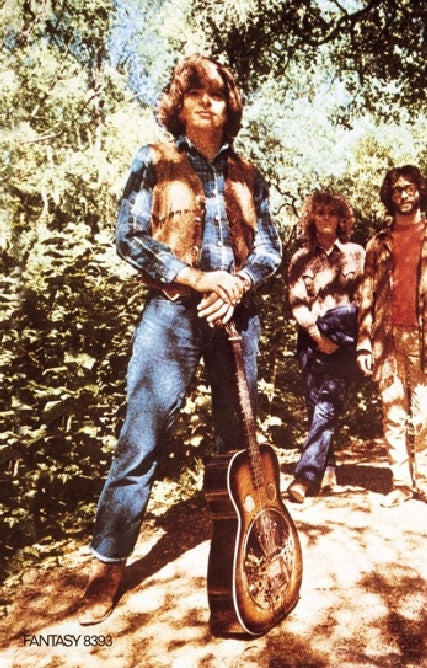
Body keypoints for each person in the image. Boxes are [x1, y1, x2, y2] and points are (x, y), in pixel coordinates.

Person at [77, 54, 282, 625]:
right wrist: (195, 278)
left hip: (236, 317)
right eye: (194, 93)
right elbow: (129, 237)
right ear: (180, 104)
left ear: (228, 106)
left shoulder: (248, 173)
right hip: (171, 315)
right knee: (140, 437)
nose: (206, 102)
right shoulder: (154, 160)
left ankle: (239, 562)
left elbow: (270, 247)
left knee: (236, 445)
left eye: (216, 94)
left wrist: (236, 284)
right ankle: (107, 569)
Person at [357, 165, 427, 507]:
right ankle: (401, 483)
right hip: (386, 340)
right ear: (390, 195)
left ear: (420, 192)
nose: (403, 195)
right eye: (397, 190)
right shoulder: (378, 243)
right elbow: (366, 295)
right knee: (393, 413)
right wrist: (363, 344)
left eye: (409, 188)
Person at [285, 191, 365, 503]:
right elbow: (297, 302)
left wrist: (352, 340)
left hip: (343, 340)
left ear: (342, 220)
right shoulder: (300, 258)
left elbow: (365, 301)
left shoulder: (356, 254)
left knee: (327, 403)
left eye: (332, 213)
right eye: (320, 213)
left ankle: (305, 477)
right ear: (311, 219)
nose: (326, 219)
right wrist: (319, 337)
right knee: (315, 403)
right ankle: (328, 468)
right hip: (310, 338)